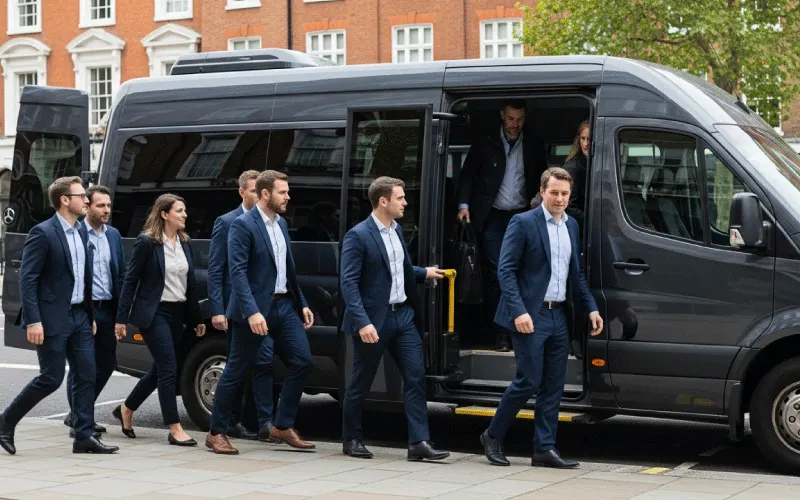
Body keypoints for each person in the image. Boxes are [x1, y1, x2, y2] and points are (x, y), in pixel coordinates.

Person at [480, 167, 603, 469]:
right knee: (528, 380)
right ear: (542, 191)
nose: (560, 198)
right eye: (555, 193)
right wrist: (519, 311)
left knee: (554, 385)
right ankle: (492, 436)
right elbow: (505, 271)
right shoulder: (523, 223)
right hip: (530, 315)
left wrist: (591, 307)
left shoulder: (571, 226)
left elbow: (576, 275)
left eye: (565, 194)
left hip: (560, 313)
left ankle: (544, 449)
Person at [0, 176, 118, 455]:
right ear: (65, 200)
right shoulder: (43, 233)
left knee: (87, 373)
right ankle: (6, 421)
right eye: (81, 196)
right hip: (52, 317)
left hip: (79, 316)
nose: (86, 201)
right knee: (51, 378)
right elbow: (28, 279)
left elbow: (84, 277)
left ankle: (84, 436)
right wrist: (34, 320)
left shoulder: (80, 232)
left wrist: (88, 314)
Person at [340, 176, 449, 461]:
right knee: (360, 382)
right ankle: (351, 439)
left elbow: (398, 268)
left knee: (415, 378)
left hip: (403, 317)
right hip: (373, 321)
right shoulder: (359, 235)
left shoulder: (397, 230)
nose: (405, 202)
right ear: (383, 201)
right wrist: (362, 322)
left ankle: (419, 443)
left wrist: (423, 273)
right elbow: (348, 283)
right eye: (400, 198)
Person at [206, 170, 315, 455]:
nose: (288, 196)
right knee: (236, 370)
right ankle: (216, 432)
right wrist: (252, 312)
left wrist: (301, 301)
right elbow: (237, 273)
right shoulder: (242, 225)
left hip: (284, 305)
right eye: (282, 192)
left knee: (303, 360)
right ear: (265, 194)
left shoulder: (281, 224)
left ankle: (281, 424)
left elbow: (287, 270)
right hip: (253, 311)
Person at [113, 193, 206, 446]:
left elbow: (191, 284)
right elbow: (130, 282)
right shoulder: (147, 243)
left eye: (184, 210)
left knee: (159, 370)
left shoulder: (185, 242)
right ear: (164, 214)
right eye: (179, 211)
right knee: (168, 368)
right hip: (154, 314)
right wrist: (121, 320)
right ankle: (174, 427)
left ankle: (127, 408)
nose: (185, 215)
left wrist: (196, 318)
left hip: (178, 314)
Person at [456, 100, 548, 351]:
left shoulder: (534, 144)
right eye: (510, 119)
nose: (514, 125)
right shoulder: (485, 142)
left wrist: (540, 199)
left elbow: (543, 176)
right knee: (501, 272)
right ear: (501, 117)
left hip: (522, 216)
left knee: (523, 271)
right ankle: (502, 334)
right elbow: (467, 175)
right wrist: (463, 205)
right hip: (492, 217)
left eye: (519, 120)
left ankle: (522, 327)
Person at [62, 185, 126, 439]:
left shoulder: (113, 235)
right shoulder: (77, 235)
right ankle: (79, 419)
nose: (107, 210)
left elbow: (120, 274)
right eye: (101, 205)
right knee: (81, 367)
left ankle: (80, 412)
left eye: (109, 205)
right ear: (87, 206)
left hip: (108, 309)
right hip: (84, 310)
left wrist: (121, 314)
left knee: (107, 363)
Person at [207, 170, 261, 441]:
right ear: (242, 192)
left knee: (256, 365)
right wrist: (217, 308)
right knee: (235, 365)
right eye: (252, 190)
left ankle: (254, 420)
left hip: (259, 304)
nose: (257, 194)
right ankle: (228, 422)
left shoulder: (269, 222)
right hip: (233, 305)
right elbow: (216, 268)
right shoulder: (227, 222)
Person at [563, 120, 590, 228]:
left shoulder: (589, 163)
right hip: (577, 226)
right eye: (583, 139)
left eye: (589, 139)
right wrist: (590, 221)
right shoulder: (573, 167)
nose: (586, 144)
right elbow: (569, 205)